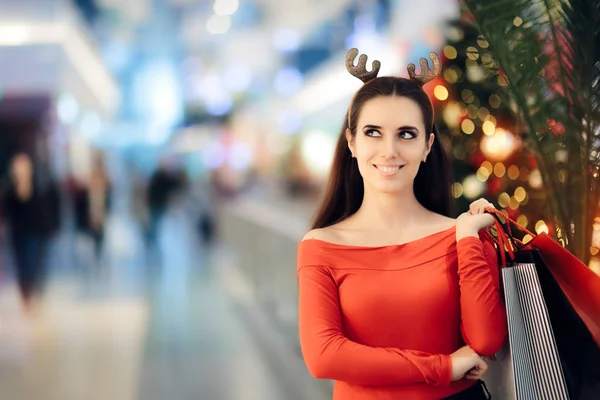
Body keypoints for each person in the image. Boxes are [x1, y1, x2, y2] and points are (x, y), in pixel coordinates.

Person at [297, 49, 507, 400]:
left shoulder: (461, 236)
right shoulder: (320, 246)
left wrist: (468, 235)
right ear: (352, 143)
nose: (389, 150)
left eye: (406, 134)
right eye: (373, 132)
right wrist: (442, 368)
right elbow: (323, 357)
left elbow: (485, 340)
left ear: (427, 146)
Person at [1, 153, 60, 312]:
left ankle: (36, 291)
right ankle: (26, 294)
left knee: (35, 263)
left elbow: (52, 205)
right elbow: (6, 211)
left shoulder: (40, 183)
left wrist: (54, 225)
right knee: (22, 265)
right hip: (18, 233)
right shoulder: (9, 188)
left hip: (37, 231)